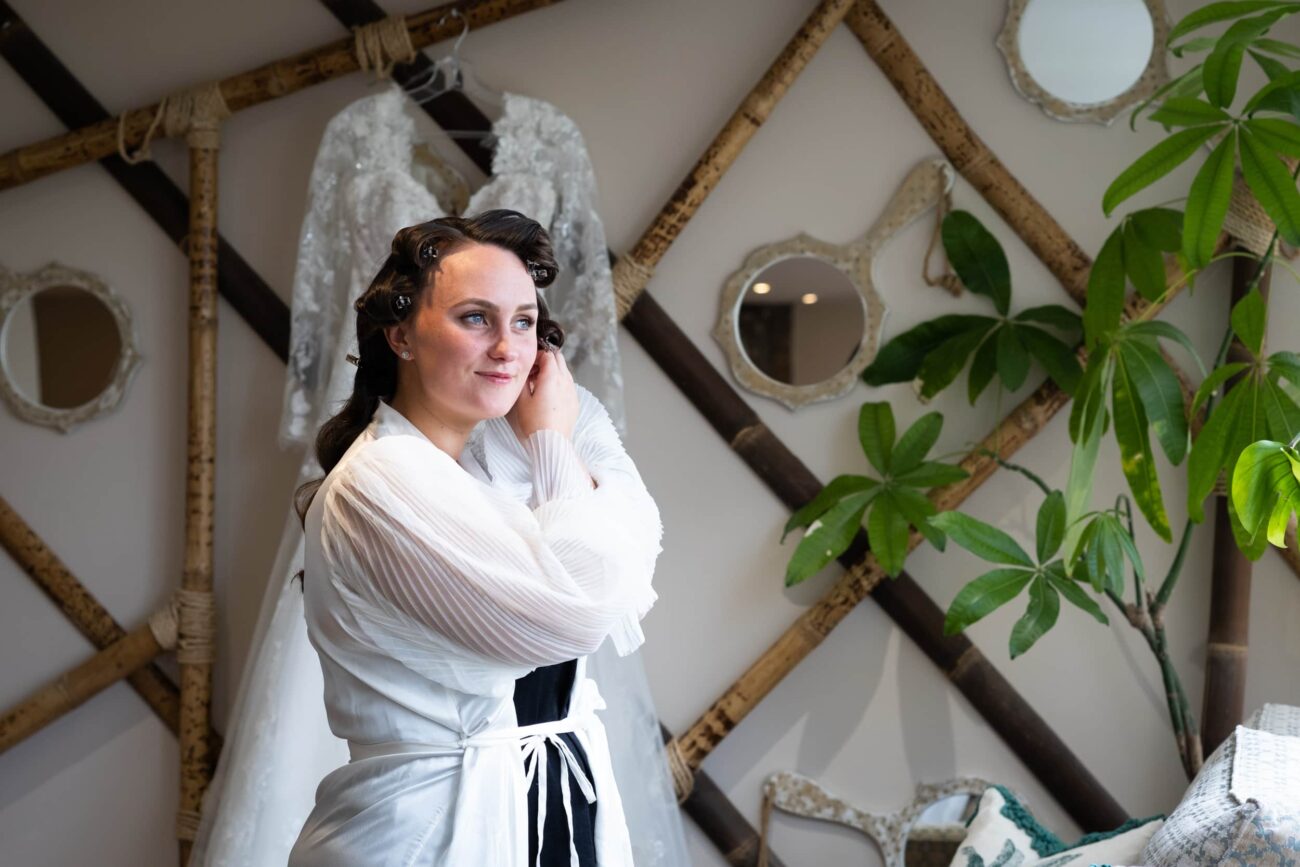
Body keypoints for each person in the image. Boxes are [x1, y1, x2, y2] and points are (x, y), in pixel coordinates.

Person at [287, 209, 661, 867]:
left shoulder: (489, 459)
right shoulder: (384, 480)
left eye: (523, 321)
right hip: (434, 832)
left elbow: (638, 550)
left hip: (552, 813)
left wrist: (548, 439)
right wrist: (551, 437)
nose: (509, 347)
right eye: (475, 317)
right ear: (400, 334)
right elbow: (576, 613)